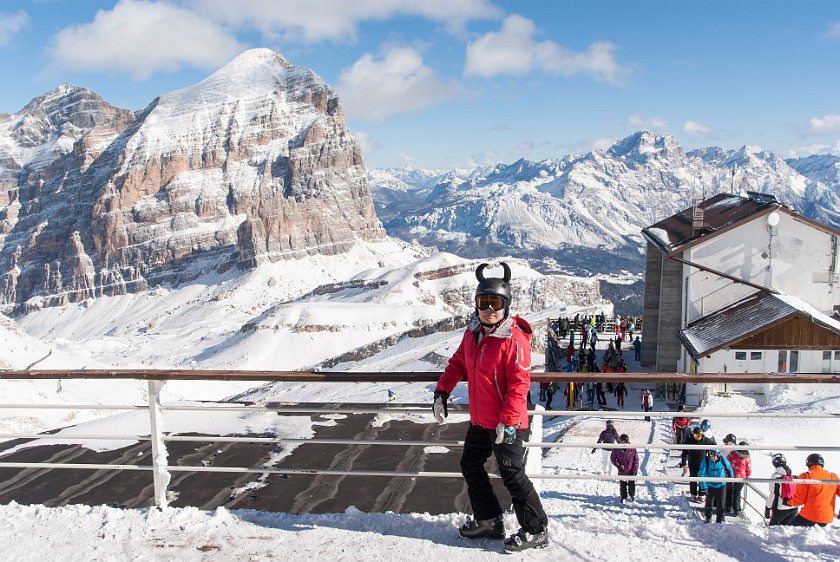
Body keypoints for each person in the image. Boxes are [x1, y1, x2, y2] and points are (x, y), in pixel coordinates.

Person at [432, 262, 548, 552]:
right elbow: (459, 362)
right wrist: (442, 390)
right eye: (484, 303)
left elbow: (519, 384)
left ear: (506, 306)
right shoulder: (473, 334)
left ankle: (537, 530)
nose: (489, 309)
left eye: (495, 303)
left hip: (508, 422)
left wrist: (508, 422)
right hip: (482, 419)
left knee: (512, 474)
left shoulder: (514, 339)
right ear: (476, 305)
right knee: (470, 465)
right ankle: (490, 520)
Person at [787, 453, 840, 527]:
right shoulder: (833, 476)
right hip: (826, 518)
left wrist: (788, 502)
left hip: (809, 516)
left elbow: (800, 499)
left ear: (809, 464)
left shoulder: (806, 476)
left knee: (787, 531)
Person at [697, 449, 733, 523]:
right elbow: (701, 473)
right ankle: (708, 516)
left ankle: (720, 519)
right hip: (710, 485)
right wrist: (703, 486)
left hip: (721, 484)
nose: (713, 458)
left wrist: (731, 480)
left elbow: (729, 469)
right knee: (709, 502)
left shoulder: (723, 460)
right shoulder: (706, 461)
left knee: (721, 503)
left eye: (715, 456)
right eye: (711, 455)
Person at [682, 425, 716, 501]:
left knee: (702, 477)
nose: (698, 437)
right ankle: (693, 493)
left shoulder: (705, 440)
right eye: (696, 435)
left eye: (699, 435)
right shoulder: (689, 441)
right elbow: (684, 453)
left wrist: (712, 457)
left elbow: (714, 446)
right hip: (692, 462)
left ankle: (702, 494)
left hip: (703, 463)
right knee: (693, 477)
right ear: (693, 435)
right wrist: (684, 464)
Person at [764, 453, 800, 526]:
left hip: (780, 509)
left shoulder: (775, 477)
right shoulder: (793, 476)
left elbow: (773, 495)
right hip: (794, 508)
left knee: (773, 530)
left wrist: (768, 508)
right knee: (787, 531)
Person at [725, 439, 751, 516]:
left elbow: (726, 462)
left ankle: (727, 506)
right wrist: (747, 476)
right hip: (741, 477)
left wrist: (725, 472)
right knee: (737, 492)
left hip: (730, 475)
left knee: (729, 490)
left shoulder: (732, 453)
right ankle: (736, 509)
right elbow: (748, 468)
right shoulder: (747, 457)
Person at [610, 434, 640, 503]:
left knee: (631, 483)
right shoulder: (616, 449)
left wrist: (635, 469)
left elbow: (636, 460)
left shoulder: (632, 448)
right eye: (622, 442)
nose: (624, 443)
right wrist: (618, 466)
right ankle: (623, 496)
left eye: (625, 442)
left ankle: (632, 495)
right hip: (622, 470)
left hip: (630, 469)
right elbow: (613, 458)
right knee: (622, 484)